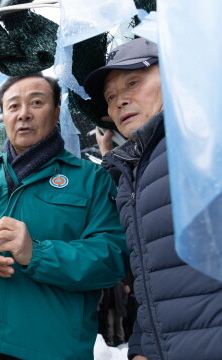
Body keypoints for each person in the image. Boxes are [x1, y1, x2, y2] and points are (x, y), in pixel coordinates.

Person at [0, 73, 128, 360]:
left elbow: (113, 257)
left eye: (36, 103)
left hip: (51, 347)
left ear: (56, 113)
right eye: (13, 106)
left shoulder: (92, 179)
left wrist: (36, 253)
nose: (23, 114)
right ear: (3, 116)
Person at [84, 37, 222, 360]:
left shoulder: (203, 139)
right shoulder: (132, 173)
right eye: (111, 96)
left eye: (133, 82)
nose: (119, 101)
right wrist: (142, 347)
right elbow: (150, 282)